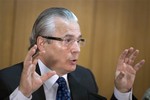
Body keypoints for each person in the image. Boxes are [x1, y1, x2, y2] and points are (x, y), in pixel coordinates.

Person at [0, 7, 145, 100]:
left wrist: (122, 91)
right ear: (42, 43)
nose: (77, 49)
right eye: (68, 40)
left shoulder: (86, 77)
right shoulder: (8, 80)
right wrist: (23, 95)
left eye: (79, 40)